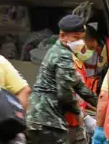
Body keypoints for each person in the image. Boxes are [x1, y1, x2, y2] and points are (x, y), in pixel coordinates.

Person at [26, 15, 98, 144]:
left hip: (39, 118)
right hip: (48, 120)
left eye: (81, 38)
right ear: (62, 35)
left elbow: (78, 85)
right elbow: (64, 95)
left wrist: (99, 104)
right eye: (76, 38)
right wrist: (80, 114)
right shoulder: (62, 55)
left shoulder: (59, 51)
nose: (80, 42)